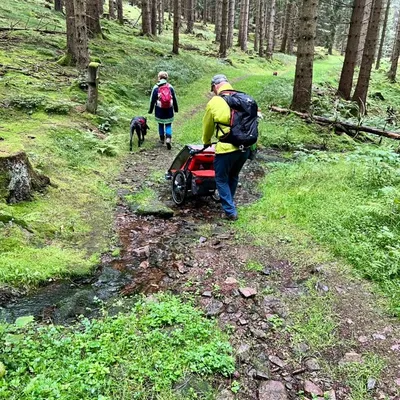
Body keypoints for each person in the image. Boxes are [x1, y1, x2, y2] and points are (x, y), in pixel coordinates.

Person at [202, 74, 251, 221]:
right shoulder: (244, 98)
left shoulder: (215, 101)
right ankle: (229, 202)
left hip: (226, 148)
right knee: (234, 175)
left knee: (221, 179)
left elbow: (208, 126)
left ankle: (230, 211)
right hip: (245, 148)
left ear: (216, 86)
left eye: (213, 89)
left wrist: (206, 141)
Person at [148, 71, 178, 150]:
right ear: (166, 78)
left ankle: (162, 139)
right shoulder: (170, 87)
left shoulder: (156, 87)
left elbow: (152, 100)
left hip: (159, 109)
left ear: (159, 77)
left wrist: (150, 110)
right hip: (169, 109)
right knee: (168, 124)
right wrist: (176, 108)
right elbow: (174, 98)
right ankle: (168, 138)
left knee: (160, 124)